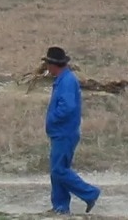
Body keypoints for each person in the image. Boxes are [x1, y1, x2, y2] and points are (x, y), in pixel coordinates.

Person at [42, 46, 101, 214]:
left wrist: (52, 119)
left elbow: (67, 107)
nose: (47, 68)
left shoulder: (67, 81)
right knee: (57, 171)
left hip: (64, 133)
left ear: (54, 65)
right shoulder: (64, 79)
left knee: (58, 170)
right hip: (61, 132)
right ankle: (60, 207)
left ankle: (90, 193)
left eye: (48, 64)